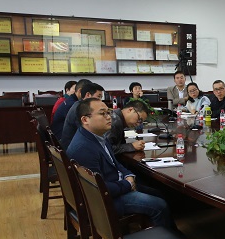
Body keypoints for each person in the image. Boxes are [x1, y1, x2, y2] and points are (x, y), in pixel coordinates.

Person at [67, 98, 174, 229]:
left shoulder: (98, 136)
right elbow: (98, 188)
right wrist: (127, 184)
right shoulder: (83, 148)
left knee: (158, 193)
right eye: (103, 113)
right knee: (159, 205)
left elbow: (115, 163)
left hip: (116, 184)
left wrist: (128, 175)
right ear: (85, 120)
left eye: (108, 112)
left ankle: (166, 233)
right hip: (105, 202)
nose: (109, 117)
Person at [60, 81, 104, 149]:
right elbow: (88, 133)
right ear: (88, 95)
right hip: (74, 148)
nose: (100, 101)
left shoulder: (80, 105)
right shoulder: (79, 109)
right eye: (98, 97)